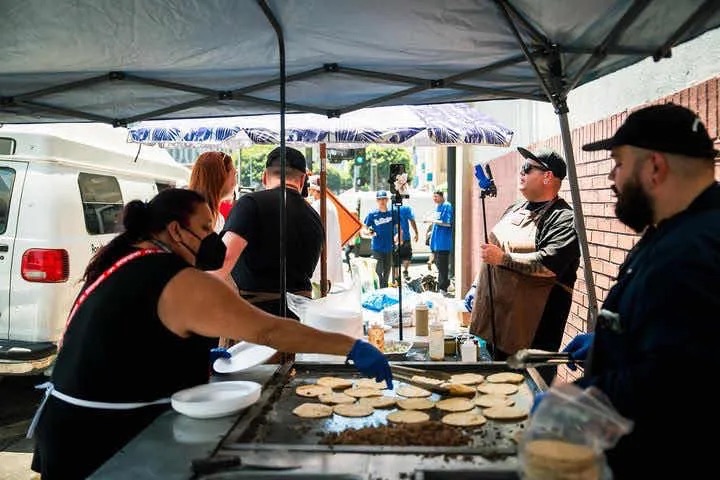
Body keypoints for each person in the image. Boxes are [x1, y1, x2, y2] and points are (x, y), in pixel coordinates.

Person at [29, 188, 392, 480]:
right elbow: (268, 329)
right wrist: (351, 346)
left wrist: (185, 356)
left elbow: (123, 344)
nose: (214, 238)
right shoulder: (175, 278)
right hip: (103, 440)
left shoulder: (124, 261)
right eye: (205, 229)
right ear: (175, 230)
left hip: (70, 428)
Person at [541, 103, 720, 479]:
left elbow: (678, 385)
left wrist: (581, 397)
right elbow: (680, 335)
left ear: (655, 167)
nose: (612, 176)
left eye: (619, 163)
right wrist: (614, 339)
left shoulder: (694, 250)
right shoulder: (676, 230)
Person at [467, 148, 580, 384]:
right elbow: (493, 254)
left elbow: (548, 265)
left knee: (526, 401)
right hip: (496, 327)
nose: (521, 172)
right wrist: (477, 286)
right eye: (521, 167)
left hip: (533, 338)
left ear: (548, 176)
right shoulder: (515, 209)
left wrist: (503, 259)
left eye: (528, 168)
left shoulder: (563, 219)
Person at [215, 146, 323, 318]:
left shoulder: (250, 203)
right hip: (301, 321)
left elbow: (222, 260)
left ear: (264, 176)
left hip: (255, 322)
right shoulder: (315, 217)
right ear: (302, 180)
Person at [307, 174, 344, 294]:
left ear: (314, 190)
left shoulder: (317, 206)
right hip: (327, 260)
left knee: (318, 299)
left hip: (318, 261)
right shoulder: (330, 205)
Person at [188, 151, 237, 232]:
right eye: (234, 174)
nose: (235, 182)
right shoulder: (194, 217)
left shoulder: (218, 218)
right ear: (221, 177)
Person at [361, 190, 395, 288]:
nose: (382, 201)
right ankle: (381, 289)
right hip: (377, 247)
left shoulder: (392, 213)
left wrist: (398, 236)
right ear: (377, 200)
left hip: (389, 247)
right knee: (378, 271)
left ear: (387, 200)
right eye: (380, 199)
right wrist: (368, 232)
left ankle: (385, 288)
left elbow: (398, 227)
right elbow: (364, 228)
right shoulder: (372, 214)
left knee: (387, 270)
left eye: (384, 199)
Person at [429, 190, 453, 294]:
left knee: (442, 266)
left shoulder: (447, 206)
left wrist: (433, 221)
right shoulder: (437, 207)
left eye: (436, 196)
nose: (434, 199)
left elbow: (447, 223)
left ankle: (444, 287)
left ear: (442, 196)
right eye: (433, 197)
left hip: (443, 243)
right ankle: (445, 284)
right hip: (436, 243)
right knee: (438, 264)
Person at [398, 203, 418, 281]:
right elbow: (412, 220)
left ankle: (396, 276)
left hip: (394, 237)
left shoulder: (390, 207)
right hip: (405, 237)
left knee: (395, 256)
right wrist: (416, 232)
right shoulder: (406, 208)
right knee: (407, 255)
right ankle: (405, 271)